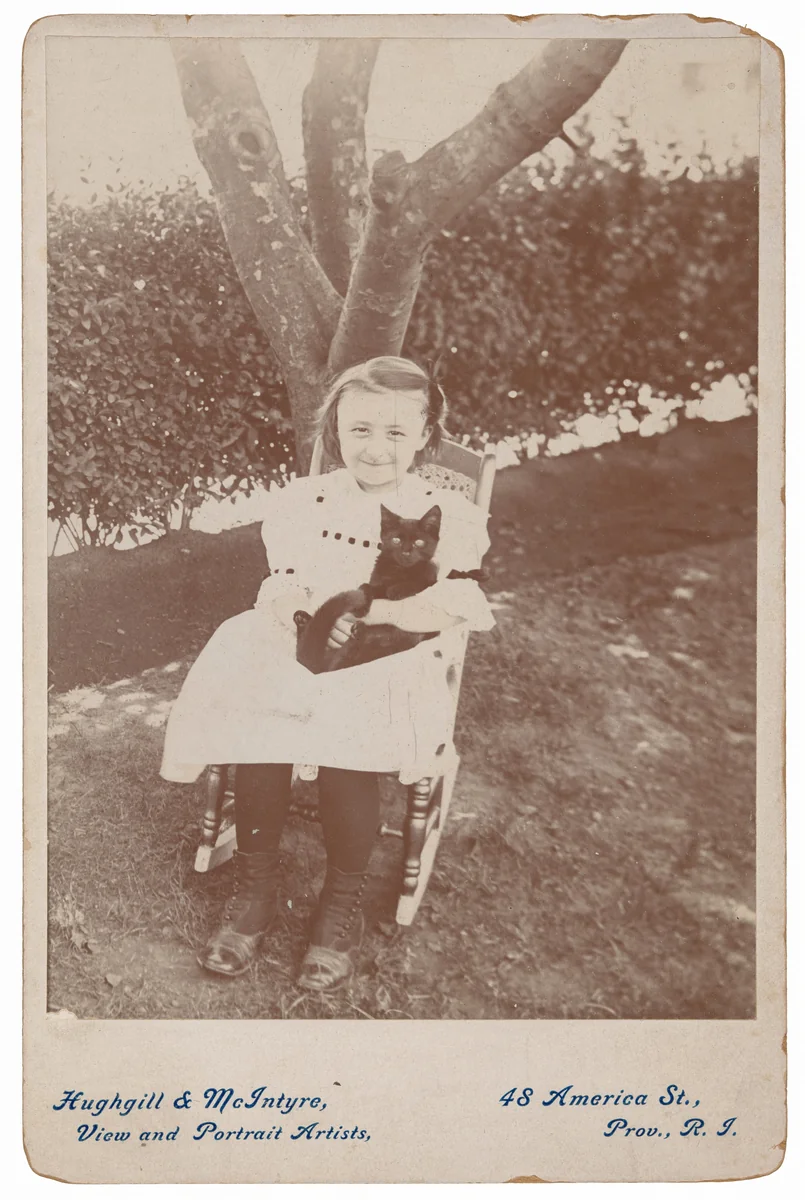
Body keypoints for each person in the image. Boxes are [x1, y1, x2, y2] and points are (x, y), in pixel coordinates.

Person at [160, 356, 495, 991]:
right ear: (333, 430)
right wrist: (303, 615)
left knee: (350, 752)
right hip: (306, 643)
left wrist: (383, 622)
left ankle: (338, 907)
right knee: (264, 729)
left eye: (396, 434)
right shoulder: (305, 501)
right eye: (359, 430)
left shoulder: (441, 512)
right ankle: (255, 890)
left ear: (426, 435)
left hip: (390, 654)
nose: (375, 449)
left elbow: (454, 600)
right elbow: (284, 580)